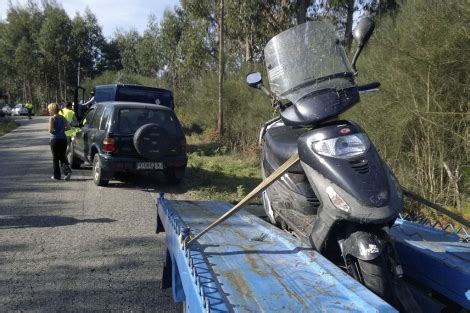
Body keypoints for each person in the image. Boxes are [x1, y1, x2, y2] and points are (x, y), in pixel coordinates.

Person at [48, 103, 72, 181]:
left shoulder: (52, 118)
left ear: (52, 110)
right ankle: (67, 171)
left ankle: (56, 176)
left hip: (55, 140)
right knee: (62, 156)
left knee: (55, 158)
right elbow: (68, 127)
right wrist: (62, 130)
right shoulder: (62, 118)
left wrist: (53, 130)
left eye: (49, 109)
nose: (48, 111)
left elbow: (51, 130)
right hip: (63, 139)